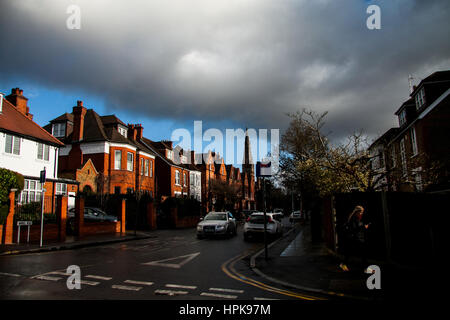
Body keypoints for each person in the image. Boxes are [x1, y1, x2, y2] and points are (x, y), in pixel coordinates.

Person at [339, 205, 370, 272]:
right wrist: (364, 227)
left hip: (355, 238)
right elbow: (354, 228)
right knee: (363, 253)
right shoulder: (353, 218)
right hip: (355, 238)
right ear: (357, 212)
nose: (362, 213)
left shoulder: (356, 218)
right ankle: (366, 268)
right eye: (361, 212)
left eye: (362, 212)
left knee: (350, 252)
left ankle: (343, 263)